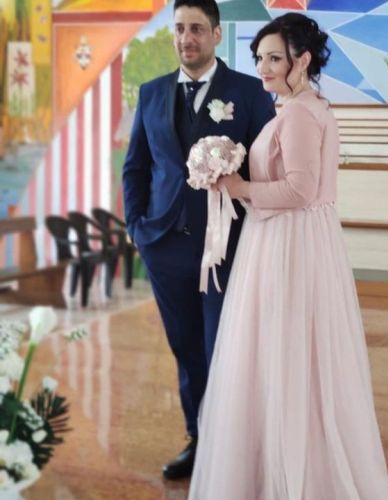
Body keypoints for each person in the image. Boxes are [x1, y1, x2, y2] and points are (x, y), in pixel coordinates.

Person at [187, 13, 388, 500]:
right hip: (295, 239)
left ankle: (290, 473)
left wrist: (239, 186)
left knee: (283, 352)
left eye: (274, 58)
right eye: (259, 58)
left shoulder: (299, 113)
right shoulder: (307, 106)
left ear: (302, 60)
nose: (263, 68)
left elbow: (300, 190)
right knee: (297, 354)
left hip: (289, 243)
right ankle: (293, 460)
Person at [122, 0, 275, 481]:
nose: (186, 38)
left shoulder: (249, 92)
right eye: (179, 29)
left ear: (215, 34)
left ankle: (239, 448)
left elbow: (266, 167)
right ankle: (200, 440)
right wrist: (136, 226)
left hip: (228, 248)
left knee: (226, 349)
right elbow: (136, 167)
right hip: (164, 246)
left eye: (196, 29)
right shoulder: (150, 93)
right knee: (186, 348)